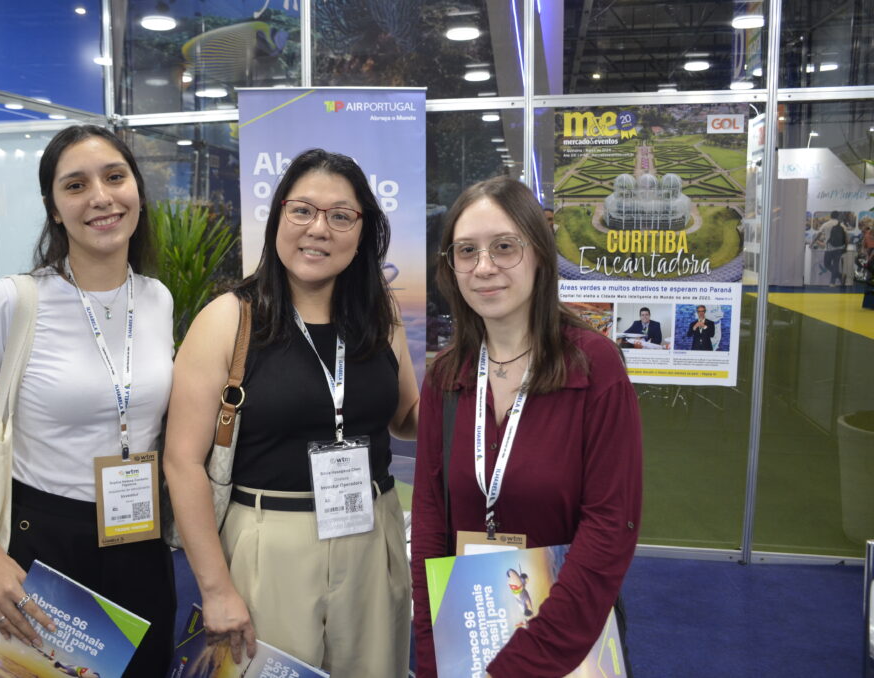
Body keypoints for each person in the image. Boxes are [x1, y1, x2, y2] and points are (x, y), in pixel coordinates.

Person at [0, 125, 175, 678]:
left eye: (115, 177)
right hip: (40, 545)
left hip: (139, 535)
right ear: (55, 209)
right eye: (76, 185)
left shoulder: (157, 298)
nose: (101, 197)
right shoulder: (15, 301)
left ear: (136, 189)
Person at [164, 148, 420, 677]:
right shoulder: (228, 320)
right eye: (302, 210)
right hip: (269, 540)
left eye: (340, 215)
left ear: (363, 231)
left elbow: (406, 418)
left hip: (373, 536)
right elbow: (182, 462)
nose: (318, 229)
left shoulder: (379, 315)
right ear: (278, 217)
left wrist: (486, 378)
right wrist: (215, 588)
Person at [410, 176, 642, 677]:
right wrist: (430, 654)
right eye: (466, 251)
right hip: (467, 633)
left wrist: (518, 666)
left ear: (538, 253)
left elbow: (609, 530)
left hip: (567, 642)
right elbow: (429, 524)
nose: (484, 267)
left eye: (504, 247)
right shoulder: (447, 375)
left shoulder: (594, 366)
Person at [814, 211, 847, 285]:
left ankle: (834, 280)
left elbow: (818, 234)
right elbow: (846, 237)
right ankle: (837, 278)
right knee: (836, 265)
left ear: (830, 216)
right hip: (839, 248)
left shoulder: (826, 224)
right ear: (838, 216)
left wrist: (813, 242)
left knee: (827, 264)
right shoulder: (842, 225)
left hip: (829, 248)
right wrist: (846, 247)